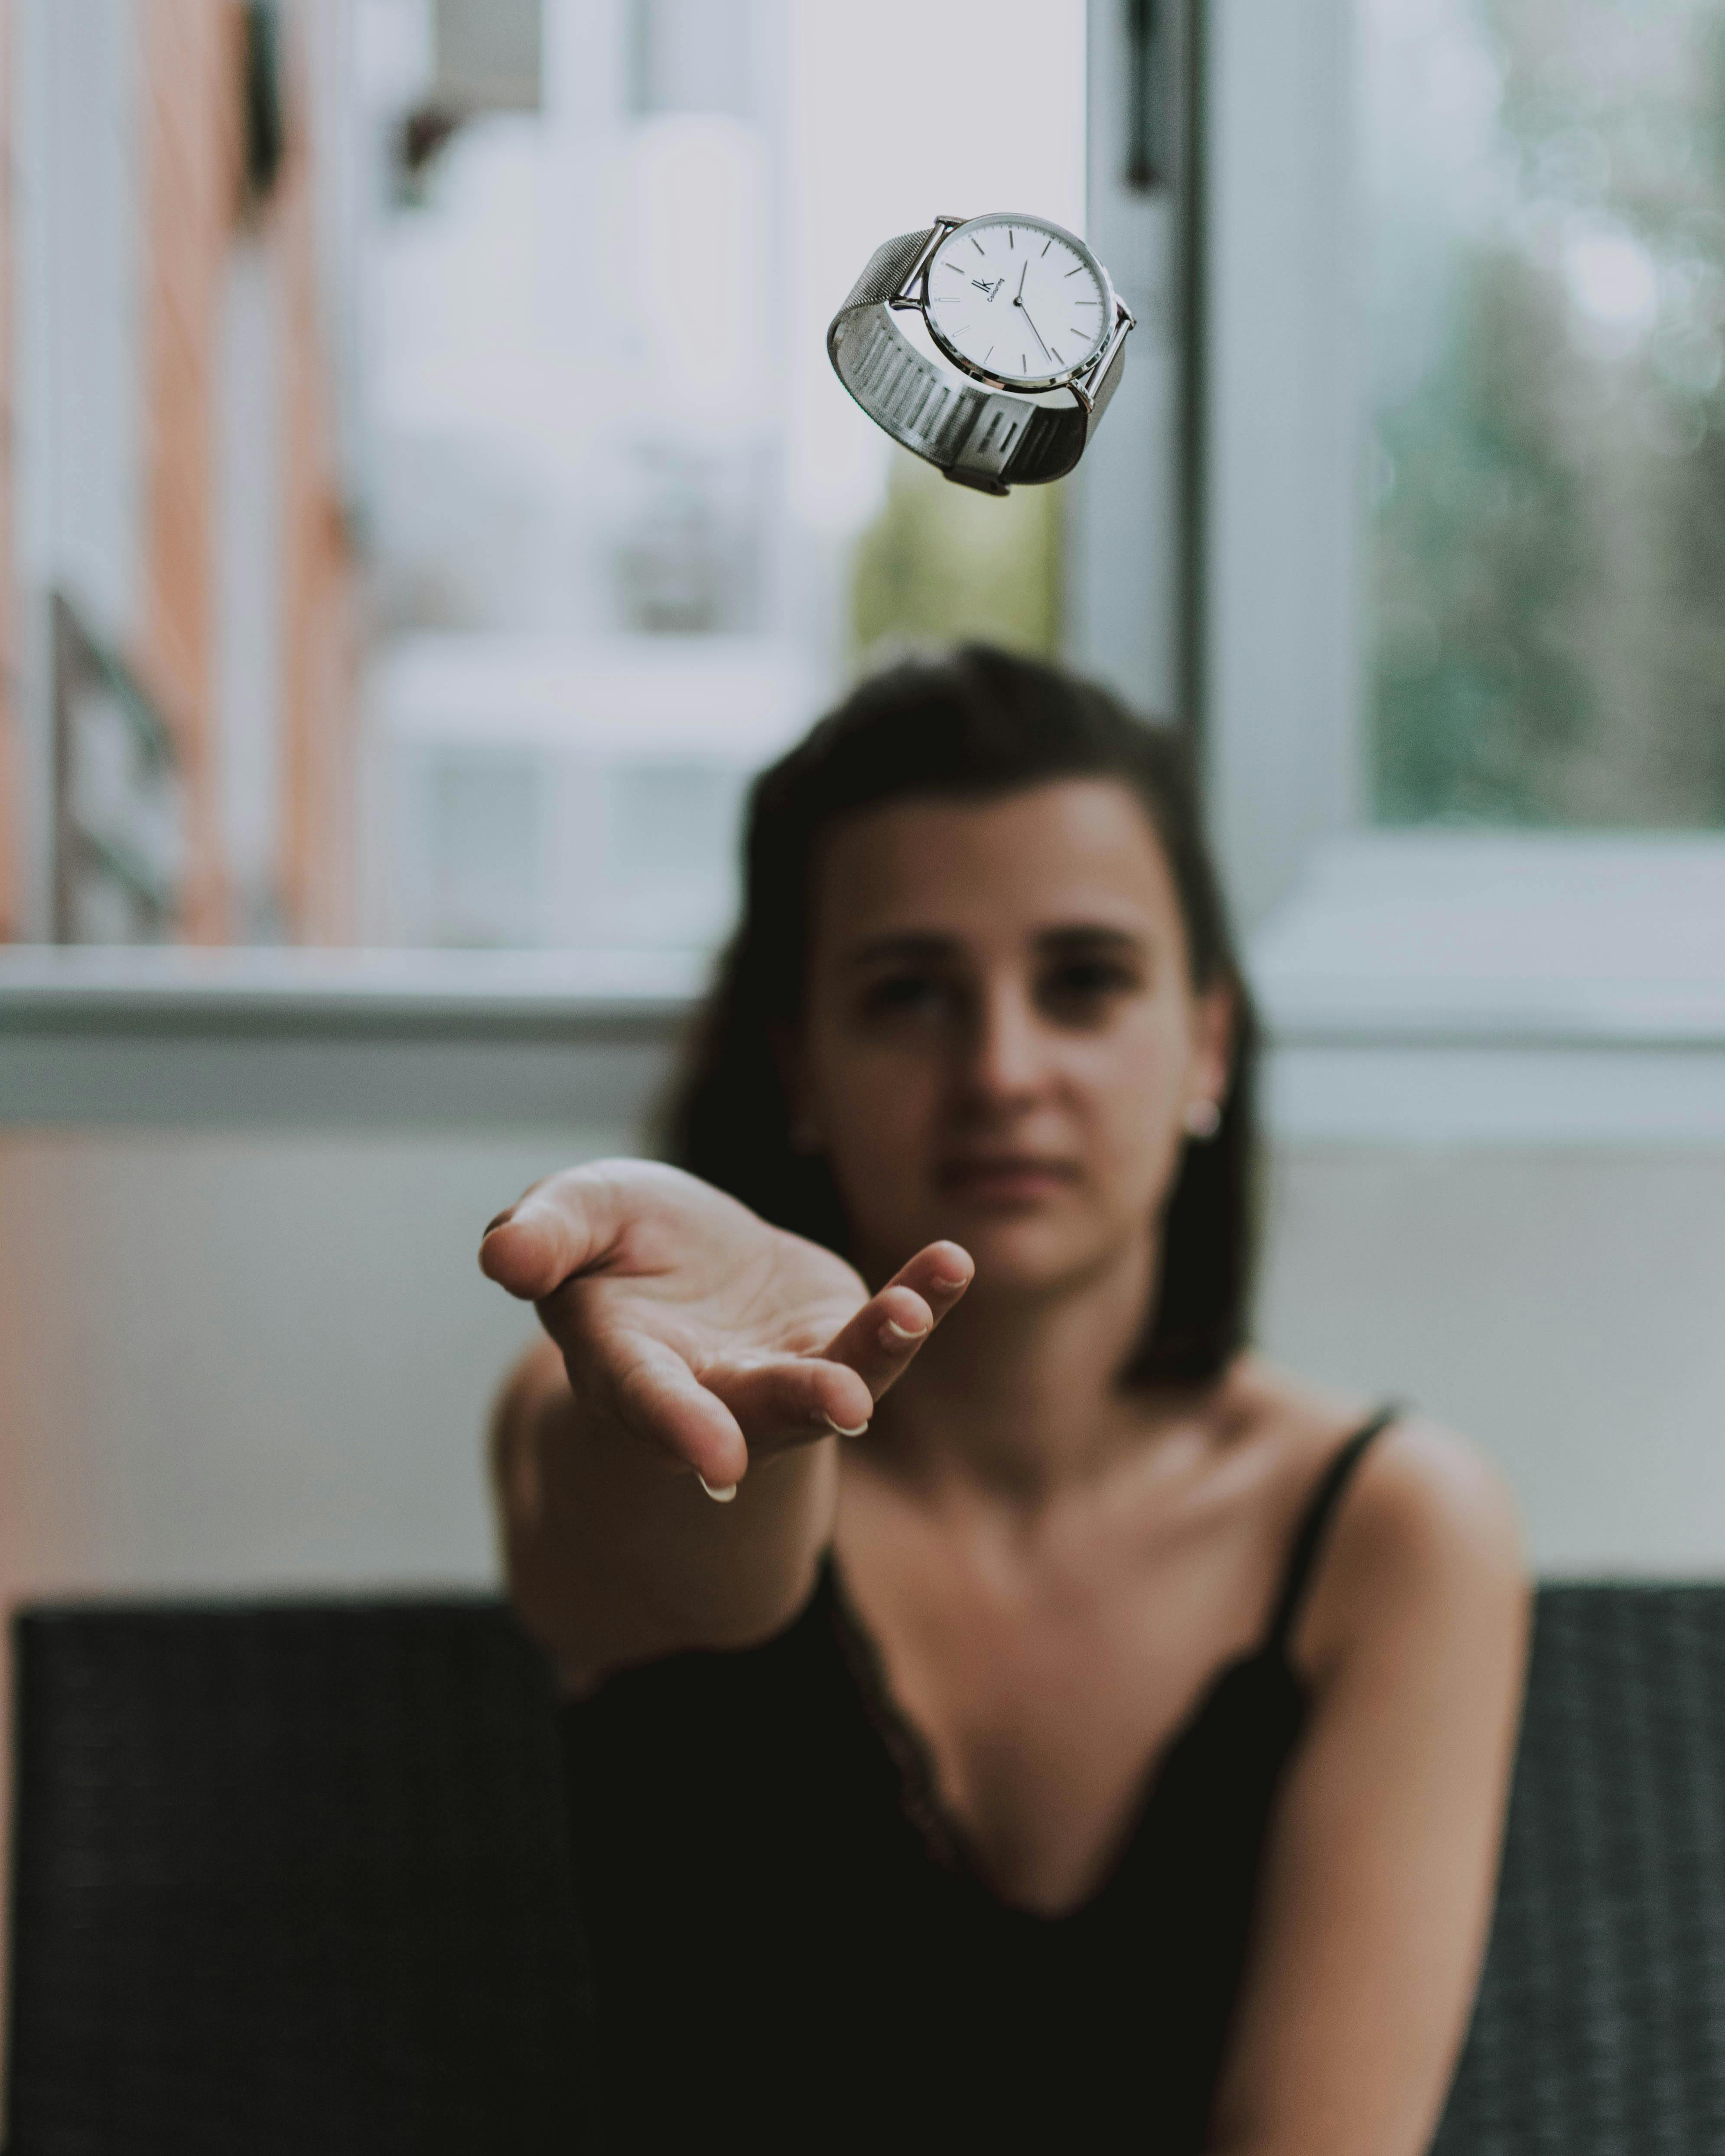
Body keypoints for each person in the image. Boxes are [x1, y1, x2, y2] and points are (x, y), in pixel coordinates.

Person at [480, 644, 1528, 2151]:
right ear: (798, 1064)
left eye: (1084, 983)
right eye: (908, 994)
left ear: (1206, 1041)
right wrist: (762, 1431)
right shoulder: (619, 1401)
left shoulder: (1395, 1527)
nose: (1003, 1069)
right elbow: (677, 1541)